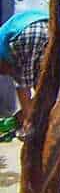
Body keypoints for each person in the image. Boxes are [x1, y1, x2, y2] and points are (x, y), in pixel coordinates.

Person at [0, 9, 50, 138]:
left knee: (23, 83)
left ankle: (29, 126)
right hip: (51, 26)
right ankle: (40, 124)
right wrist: (23, 113)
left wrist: (27, 119)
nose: (6, 74)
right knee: (44, 87)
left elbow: (22, 86)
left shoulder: (4, 51)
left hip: (28, 31)